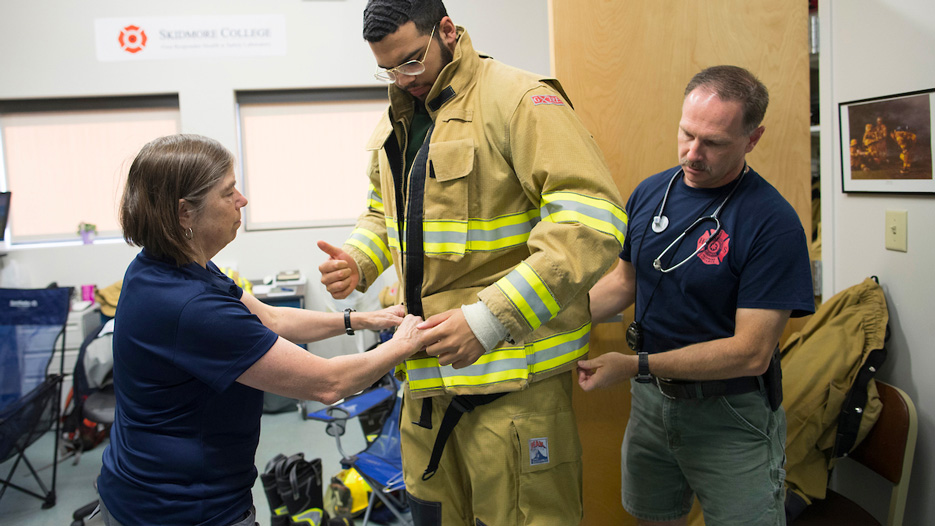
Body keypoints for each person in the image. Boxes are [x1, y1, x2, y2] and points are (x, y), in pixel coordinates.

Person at [317, 1, 626, 524]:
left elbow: (591, 224)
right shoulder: (400, 119)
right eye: (388, 68)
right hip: (424, 382)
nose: (402, 78)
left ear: (447, 31)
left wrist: (487, 319)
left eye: (412, 61)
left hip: (511, 385)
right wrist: (358, 260)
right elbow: (385, 213)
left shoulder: (522, 101)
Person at [96, 134, 426, 526]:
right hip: (182, 509)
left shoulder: (164, 265)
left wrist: (360, 319)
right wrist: (406, 342)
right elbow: (328, 384)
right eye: (228, 192)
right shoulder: (192, 309)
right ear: (185, 213)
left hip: (137, 488)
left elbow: (272, 319)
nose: (242, 200)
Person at [578, 66, 815, 525]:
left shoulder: (772, 223)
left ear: (752, 138)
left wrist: (635, 365)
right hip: (651, 405)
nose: (693, 153)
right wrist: (541, 319)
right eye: (687, 134)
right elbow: (624, 283)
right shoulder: (651, 192)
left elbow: (750, 353)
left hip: (729, 414)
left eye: (715, 143)